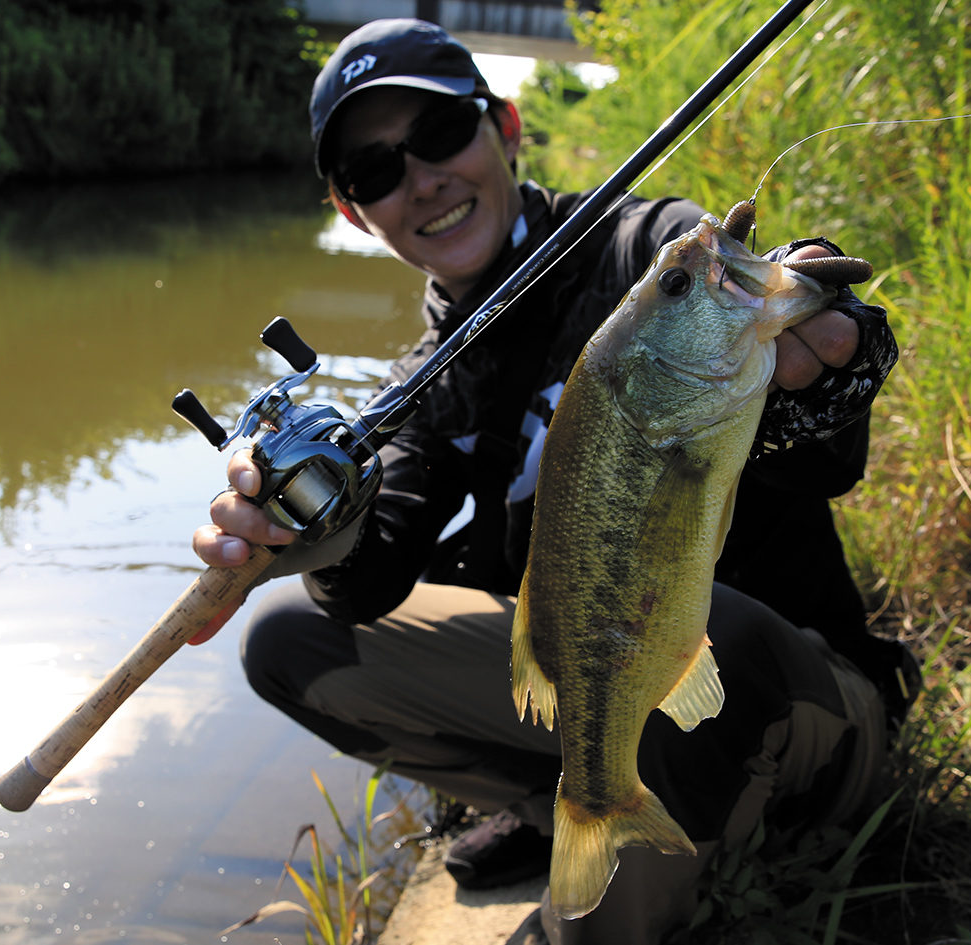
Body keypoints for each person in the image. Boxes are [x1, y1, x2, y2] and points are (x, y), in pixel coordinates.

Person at [193, 19, 916, 945]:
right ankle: (574, 802)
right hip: (624, 688)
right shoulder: (426, 385)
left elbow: (825, 450)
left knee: (710, 632)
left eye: (442, 134)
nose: (421, 179)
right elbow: (369, 576)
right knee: (289, 635)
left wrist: (830, 346)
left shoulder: (641, 253)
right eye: (374, 172)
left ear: (505, 124)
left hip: (805, 709)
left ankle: (604, 910)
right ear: (350, 212)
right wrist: (312, 527)